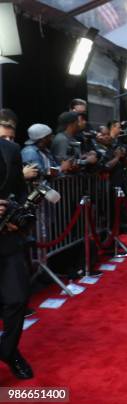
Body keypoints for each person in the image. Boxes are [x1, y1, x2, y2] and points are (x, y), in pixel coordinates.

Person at [0, 138, 34, 379]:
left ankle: (8, 350)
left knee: (18, 298)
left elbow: (20, 189)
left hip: (6, 238)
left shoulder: (9, 148)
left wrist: (17, 214)